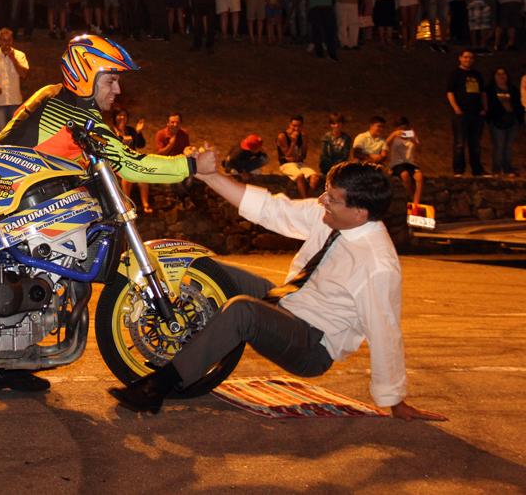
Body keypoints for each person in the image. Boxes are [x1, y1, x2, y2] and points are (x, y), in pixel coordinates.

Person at [109, 156, 447, 423]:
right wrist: (209, 175)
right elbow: (271, 209)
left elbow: (385, 332)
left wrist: (394, 400)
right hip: (287, 300)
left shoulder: (378, 265)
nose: (322, 200)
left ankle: (159, 387)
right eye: (326, 191)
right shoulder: (330, 214)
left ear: (360, 213)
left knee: (243, 310)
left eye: (333, 198)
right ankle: (195, 345)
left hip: (311, 344)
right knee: (209, 268)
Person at [0, 34, 198, 392]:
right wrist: (190, 165)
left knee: (46, 264)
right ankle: (6, 359)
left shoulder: (55, 98)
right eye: (111, 79)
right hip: (0, 197)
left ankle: (8, 361)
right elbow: (132, 165)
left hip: (0, 192)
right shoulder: (75, 115)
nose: (118, 90)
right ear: (87, 75)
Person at [446, 49, 487, 176]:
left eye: (470, 58)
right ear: (460, 58)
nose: (468, 60)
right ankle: (458, 170)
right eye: (465, 57)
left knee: (475, 143)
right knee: (460, 143)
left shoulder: (477, 75)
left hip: (476, 113)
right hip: (461, 114)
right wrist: (456, 108)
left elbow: (483, 93)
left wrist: (485, 108)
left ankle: (477, 170)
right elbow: (450, 92)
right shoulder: (455, 74)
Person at [0, 27, 29, 131]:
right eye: (4, 40)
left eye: (9, 40)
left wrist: (13, 59)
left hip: (15, 101)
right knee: (2, 133)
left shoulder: (20, 55)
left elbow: (24, 74)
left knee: (14, 133)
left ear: (12, 40)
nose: (6, 43)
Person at [111, 108, 151, 213]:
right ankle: (127, 204)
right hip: (118, 162)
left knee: (143, 177)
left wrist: (138, 132)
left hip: (132, 161)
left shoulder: (130, 130)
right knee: (127, 176)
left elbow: (140, 145)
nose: (122, 117)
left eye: (124, 115)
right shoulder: (111, 131)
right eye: (119, 115)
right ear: (115, 117)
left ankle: (145, 204)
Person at [484, 67, 522, 177]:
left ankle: (507, 168)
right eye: (498, 74)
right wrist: (489, 118)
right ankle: (496, 169)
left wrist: (518, 119)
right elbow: (486, 104)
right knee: (499, 146)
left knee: (508, 146)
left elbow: (517, 104)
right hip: (497, 121)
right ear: (494, 76)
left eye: (504, 73)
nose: (501, 76)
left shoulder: (512, 89)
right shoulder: (490, 90)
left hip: (512, 121)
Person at [276, 115, 320, 198]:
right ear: (289, 124)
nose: (296, 128)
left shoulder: (302, 136)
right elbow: (287, 155)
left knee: (315, 177)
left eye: (299, 126)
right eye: (294, 126)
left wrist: (304, 142)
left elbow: (303, 156)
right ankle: (304, 200)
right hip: (286, 165)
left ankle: (307, 199)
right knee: (300, 176)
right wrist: (293, 142)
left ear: (302, 126)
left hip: (299, 163)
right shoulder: (282, 136)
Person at [386, 117, 424, 211]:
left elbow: (420, 150)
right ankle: (412, 198)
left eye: (405, 128)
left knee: (419, 176)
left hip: (410, 163)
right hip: (397, 163)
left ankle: (416, 202)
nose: (403, 130)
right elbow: (384, 145)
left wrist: (413, 140)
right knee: (405, 175)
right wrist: (393, 135)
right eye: (401, 128)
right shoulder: (394, 137)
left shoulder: (412, 135)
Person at [319, 112, 351, 176]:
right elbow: (324, 155)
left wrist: (337, 165)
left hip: (340, 166)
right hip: (327, 167)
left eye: (339, 123)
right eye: (334, 123)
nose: (337, 125)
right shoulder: (326, 137)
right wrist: (331, 166)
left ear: (342, 124)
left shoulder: (346, 138)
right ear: (330, 125)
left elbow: (345, 155)